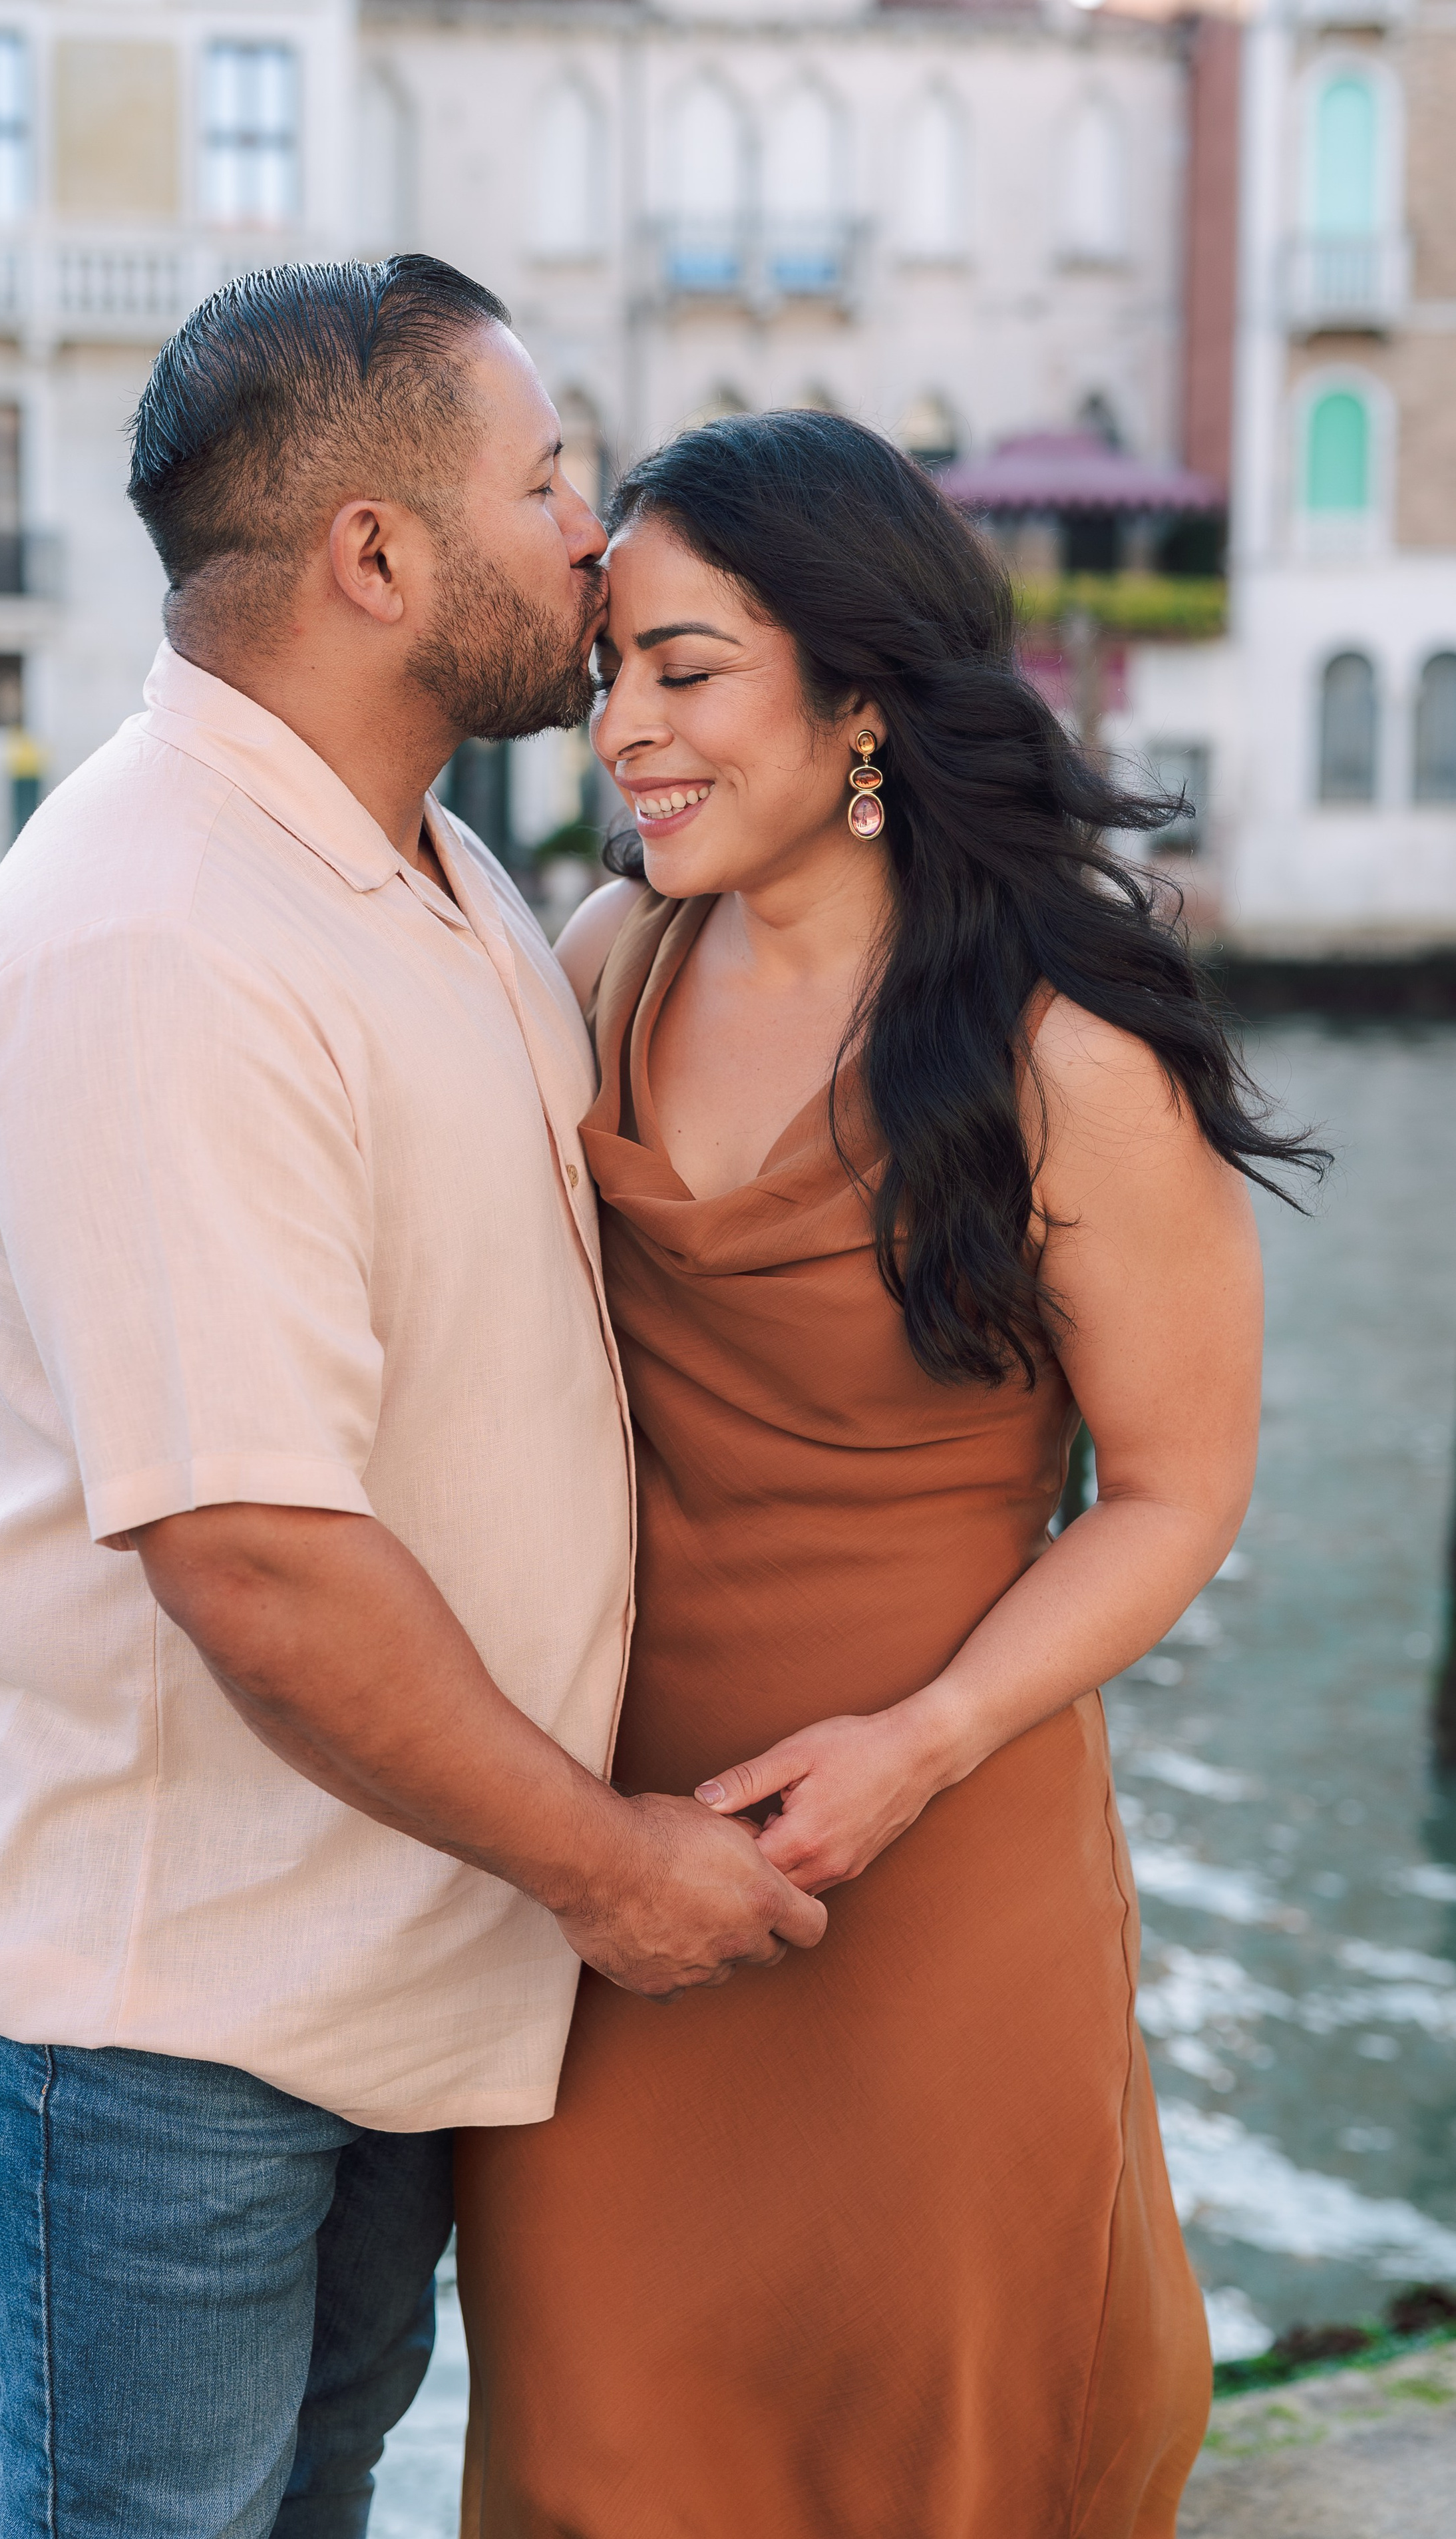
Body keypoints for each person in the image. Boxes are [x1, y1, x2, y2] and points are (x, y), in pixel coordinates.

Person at [0, 262, 824, 2539]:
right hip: (168, 2001)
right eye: (546, 478)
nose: (593, 537)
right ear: (376, 556)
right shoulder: (158, 933)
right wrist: (617, 1876)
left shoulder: (434, 867)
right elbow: (257, 1555)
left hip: (393, 1938)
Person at [455, 410, 1325, 2539]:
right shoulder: (604, 962)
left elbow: (1175, 1490)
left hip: (938, 1870)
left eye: (688, 670)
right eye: (608, 682)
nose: (625, 735)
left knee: (926, 2456)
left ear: (860, 699)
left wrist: (923, 1743)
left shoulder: (1064, 1057)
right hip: (623, 1873)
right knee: (595, 2453)